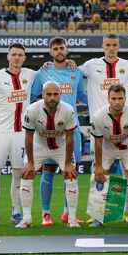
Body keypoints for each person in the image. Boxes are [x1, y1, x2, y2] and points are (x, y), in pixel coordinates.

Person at [79, 34, 128, 224]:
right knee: (99, 173)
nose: (111, 48)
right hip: (101, 127)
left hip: (124, 128)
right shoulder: (90, 65)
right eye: (108, 45)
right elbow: (71, 71)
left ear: (119, 46)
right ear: (102, 46)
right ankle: (97, 213)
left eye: (114, 45)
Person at [30, 36, 87, 226]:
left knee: (72, 171)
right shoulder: (42, 73)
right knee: (48, 170)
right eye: (55, 49)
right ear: (50, 53)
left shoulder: (76, 71)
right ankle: (46, 213)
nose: (59, 51)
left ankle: (67, 212)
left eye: (61, 48)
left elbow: (80, 95)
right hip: (48, 131)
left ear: (67, 50)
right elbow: (32, 97)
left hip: (72, 129)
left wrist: (100, 105)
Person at [0, 43, 37, 226]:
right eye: (14, 54)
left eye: (20, 55)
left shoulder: (30, 74)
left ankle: (16, 213)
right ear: (8, 56)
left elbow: (50, 70)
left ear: (24, 57)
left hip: (21, 133)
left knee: (18, 173)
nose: (17, 58)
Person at [16, 81, 79, 228]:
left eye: (55, 94)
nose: (52, 98)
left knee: (70, 175)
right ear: (42, 94)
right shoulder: (32, 109)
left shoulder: (68, 110)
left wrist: (68, 163)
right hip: (39, 146)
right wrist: (30, 162)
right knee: (26, 173)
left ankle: (72, 218)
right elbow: (28, 137)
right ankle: (27, 218)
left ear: (60, 95)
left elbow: (70, 138)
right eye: (48, 94)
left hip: (61, 147)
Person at [88, 84, 128, 228]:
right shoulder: (98, 116)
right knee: (98, 176)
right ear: (108, 99)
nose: (117, 102)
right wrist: (98, 166)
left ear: (125, 98)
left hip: (125, 146)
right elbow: (97, 143)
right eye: (114, 98)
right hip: (106, 146)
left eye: (120, 98)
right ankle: (98, 217)